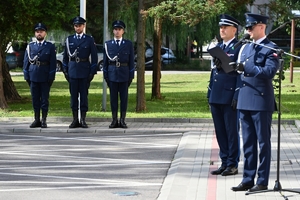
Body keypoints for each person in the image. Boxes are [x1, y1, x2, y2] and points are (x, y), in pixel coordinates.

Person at [231, 13, 279, 192]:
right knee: (248, 143)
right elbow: (238, 72)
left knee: (263, 143)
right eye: (247, 27)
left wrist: (247, 68)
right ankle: (248, 178)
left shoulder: (270, 48)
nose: (248, 30)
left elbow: (269, 72)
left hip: (260, 100)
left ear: (262, 27)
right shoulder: (245, 47)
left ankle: (262, 181)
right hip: (244, 99)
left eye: (251, 27)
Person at [207, 14, 241, 176]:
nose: (222, 30)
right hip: (216, 94)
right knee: (220, 131)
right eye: (221, 27)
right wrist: (209, 92)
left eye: (225, 27)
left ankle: (233, 163)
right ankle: (225, 161)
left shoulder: (239, 47)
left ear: (234, 30)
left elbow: (240, 74)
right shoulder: (218, 47)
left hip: (229, 95)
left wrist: (237, 95)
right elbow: (213, 72)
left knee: (231, 131)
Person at [62, 16, 98, 128]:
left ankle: (82, 119)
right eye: (76, 26)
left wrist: (92, 72)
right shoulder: (69, 40)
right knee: (73, 98)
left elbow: (94, 58)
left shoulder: (89, 39)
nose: (78, 27)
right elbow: (65, 58)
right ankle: (74, 120)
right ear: (74, 27)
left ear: (84, 26)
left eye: (80, 25)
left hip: (84, 71)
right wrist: (65, 71)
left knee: (83, 97)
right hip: (72, 71)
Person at [23, 23, 56, 128]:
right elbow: (26, 63)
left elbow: (53, 63)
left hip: (45, 76)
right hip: (33, 76)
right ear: (35, 33)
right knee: (35, 99)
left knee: (44, 99)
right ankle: (36, 119)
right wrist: (26, 76)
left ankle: (44, 120)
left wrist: (51, 76)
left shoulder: (50, 46)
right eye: (37, 31)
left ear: (45, 33)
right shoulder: (30, 46)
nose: (39, 33)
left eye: (41, 31)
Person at [103, 20, 135, 128]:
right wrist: (106, 76)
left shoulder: (128, 44)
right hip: (112, 75)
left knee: (124, 99)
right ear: (113, 31)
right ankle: (114, 120)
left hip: (124, 74)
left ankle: (122, 120)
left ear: (123, 31)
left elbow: (131, 61)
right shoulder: (108, 45)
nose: (117, 31)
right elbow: (105, 62)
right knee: (113, 99)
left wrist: (131, 75)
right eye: (115, 29)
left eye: (119, 29)